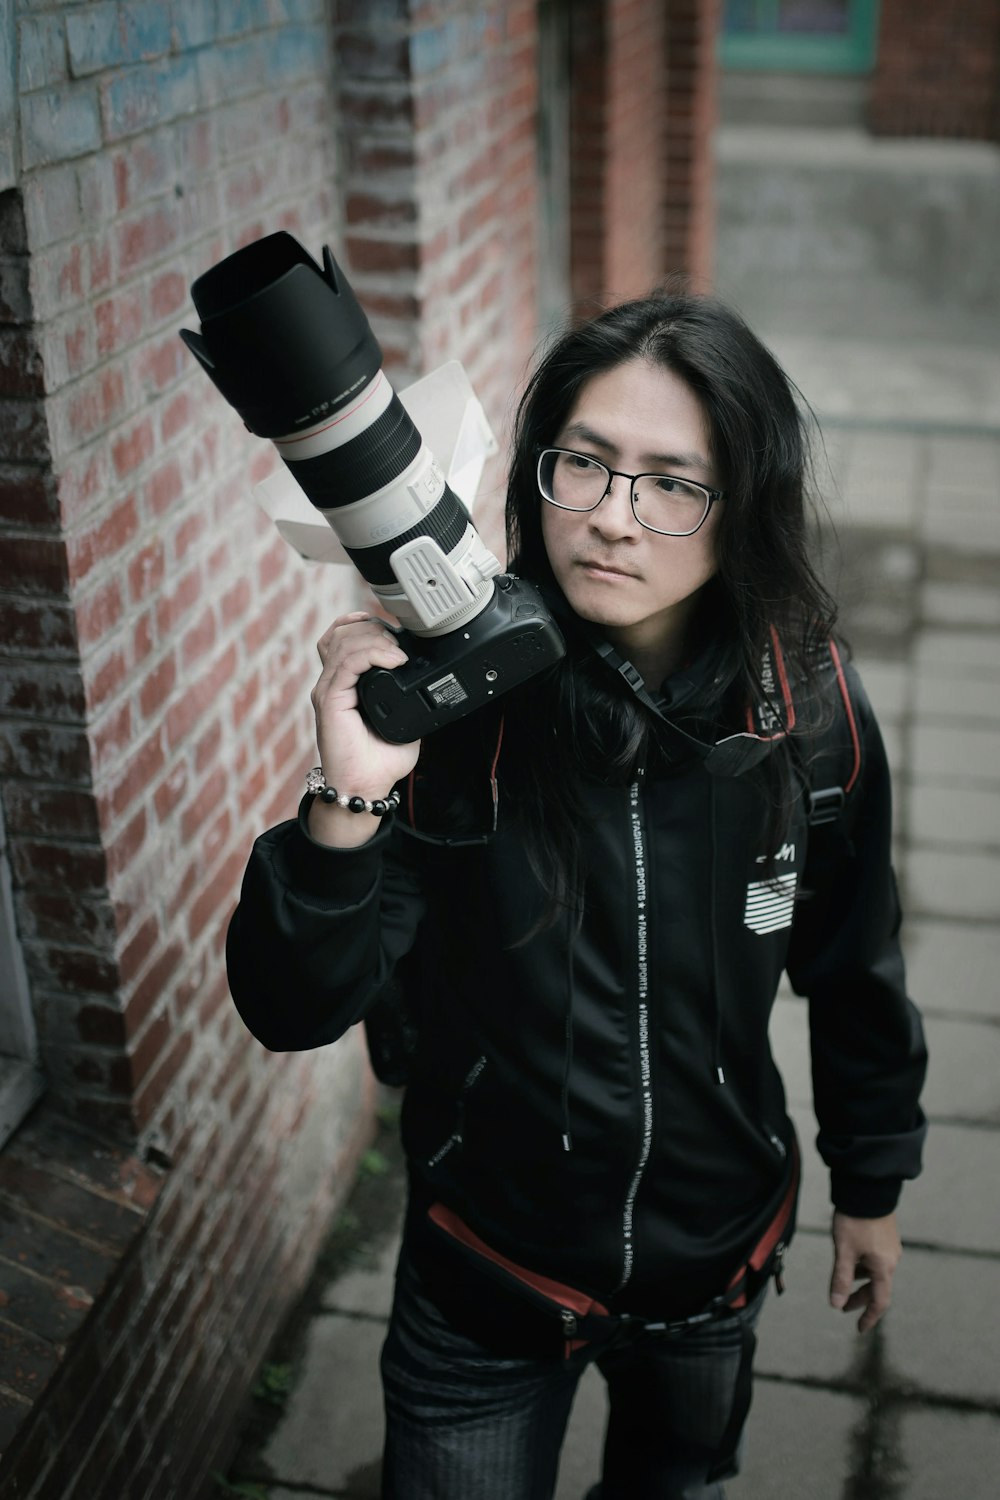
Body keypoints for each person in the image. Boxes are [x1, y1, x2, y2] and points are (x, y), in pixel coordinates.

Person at [226, 291, 928, 1500]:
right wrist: (345, 803)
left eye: (670, 483)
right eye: (583, 467)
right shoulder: (461, 713)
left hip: (714, 1269)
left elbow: (855, 964)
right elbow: (293, 1005)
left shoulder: (806, 719)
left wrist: (872, 1184)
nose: (612, 519)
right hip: (486, 1278)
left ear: (741, 506)